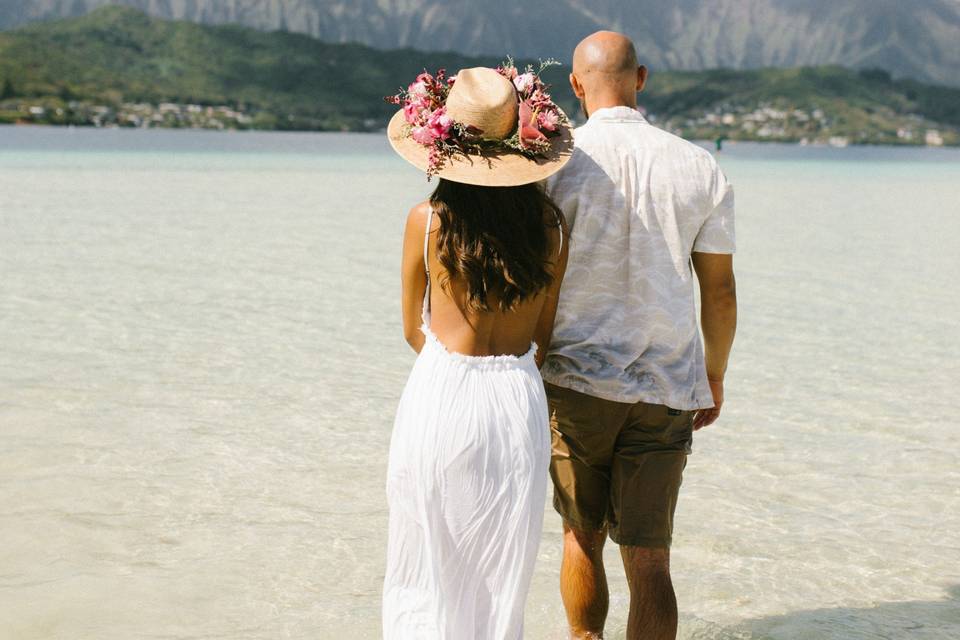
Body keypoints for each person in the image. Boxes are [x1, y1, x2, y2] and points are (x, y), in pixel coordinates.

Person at [542, 32, 738, 640]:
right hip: (666, 385)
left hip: (574, 382)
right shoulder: (699, 165)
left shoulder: (555, 163)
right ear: (642, 78)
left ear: (575, 85)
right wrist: (714, 374)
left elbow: (535, 277)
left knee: (582, 535)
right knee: (650, 558)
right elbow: (721, 291)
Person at [381, 65, 572, 638]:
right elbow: (544, 335)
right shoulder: (552, 227)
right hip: (517, 396)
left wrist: (448, 368)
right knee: (501, 563)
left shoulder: (429, 220)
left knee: (424, 552)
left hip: (441, 387)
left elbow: (412, 328)